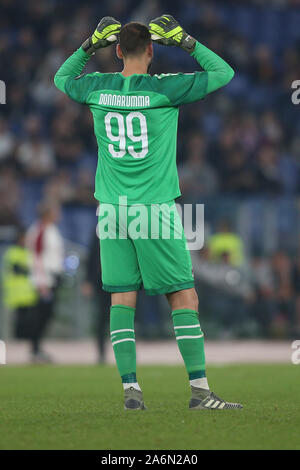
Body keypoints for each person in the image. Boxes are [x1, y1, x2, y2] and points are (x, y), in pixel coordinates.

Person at [54, 15, 242, 410]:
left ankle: (131, 393)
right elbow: (223, 73)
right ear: (152, 50)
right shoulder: (165, 88)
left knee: (122, 300)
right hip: (153, 210)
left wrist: (88, 44)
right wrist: (187, 42)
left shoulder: (97, 87)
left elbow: (60, 80)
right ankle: (201, 393)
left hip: (111, 212)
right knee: (184, 298)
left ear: (117, 50)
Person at [25, 201, 64, 362]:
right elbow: (36, 258)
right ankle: (35, 349)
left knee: (47, 315)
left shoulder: (50, 229)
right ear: (48, 214)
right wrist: (42, 283)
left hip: (52, 278)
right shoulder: (39, 230)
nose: (58, 214)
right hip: (44, 280)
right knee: (40, 315)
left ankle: (37, 348)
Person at [2, 228, 38, 345]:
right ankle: (16, 342)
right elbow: (18, 269)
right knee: (16, 321)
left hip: (28, 293)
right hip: (16, 293)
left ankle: (23, 342)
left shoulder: (28, 252)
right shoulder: (13, 252)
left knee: (28, 321)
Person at [81, 229, 110, 363]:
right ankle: (101, 352)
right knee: (102, 318)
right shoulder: (99, 230)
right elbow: (92, 256)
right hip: (103, 281)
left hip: (122, 280)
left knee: (123, 317)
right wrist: (88, 280)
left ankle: (125, 351)